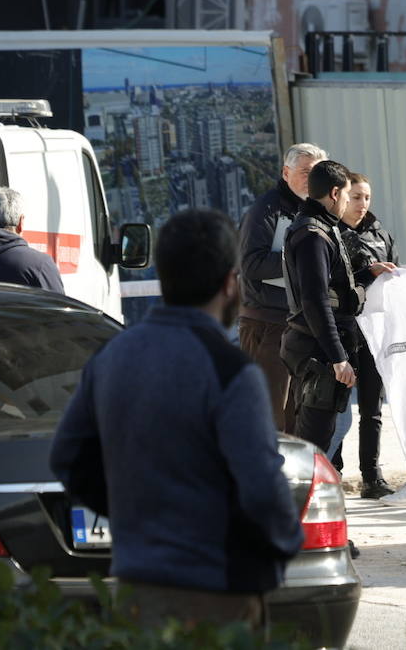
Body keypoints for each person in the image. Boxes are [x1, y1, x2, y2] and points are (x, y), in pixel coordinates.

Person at [50, 208, 304, 630]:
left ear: (163, 278)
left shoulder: (111, 357)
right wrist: (286, 543)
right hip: (218, 593)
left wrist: (136, 517)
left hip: (137, 584)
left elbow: (67, 458)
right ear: (229, 284)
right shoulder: (231, 371)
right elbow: (261, 485)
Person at [280, 161, 395, 458]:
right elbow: (316, 301)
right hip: (317, 352)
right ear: (334, 193)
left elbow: (333, 292)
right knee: (314, 448)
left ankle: (313, 499)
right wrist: (337, 357)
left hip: (318, 349)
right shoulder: (313, 235)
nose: (349, 202)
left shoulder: (319, 229)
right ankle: (302, 503)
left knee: (328, 434)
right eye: (347, 195)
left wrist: (369, 274)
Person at [238, 142, 326, 431]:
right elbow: (251, 264)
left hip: (303, 326)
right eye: (304, 171)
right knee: (269, 418)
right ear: (285, 173)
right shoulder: (266, 209)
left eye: (316, 172)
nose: (310, 177)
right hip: (267, 327)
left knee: (298, 419)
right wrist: (302, 261)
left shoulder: (318, 211)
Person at [337, 171, 397, 500]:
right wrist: (366, 271)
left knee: (372, 409)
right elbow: (334, 282)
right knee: (335, 408)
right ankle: (332, 473)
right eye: (357, 197)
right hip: (343, 331)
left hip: (375, 331)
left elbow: (396, 276)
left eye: (367, 198)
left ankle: (371, 476)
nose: (362, 204)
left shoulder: (380, 233)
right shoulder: (331, 234)